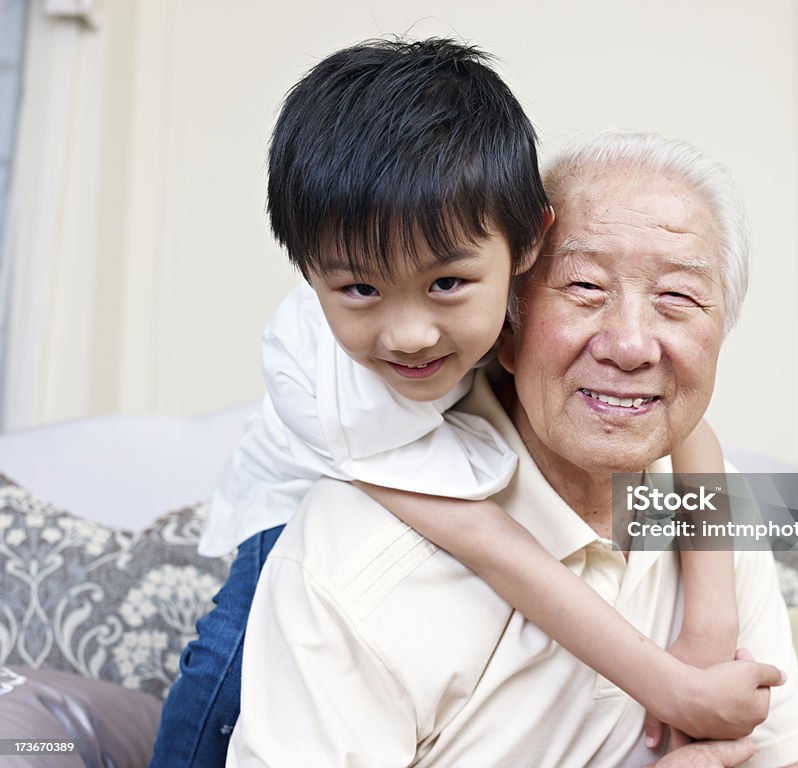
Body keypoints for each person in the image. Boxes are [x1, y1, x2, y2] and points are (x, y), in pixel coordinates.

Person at [151, 39, 763, 767]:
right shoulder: (325, 393)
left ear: (525, 246)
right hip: (293, 514)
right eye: (358, 290)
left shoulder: (530, 316)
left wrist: (710, 622)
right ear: (308, 269)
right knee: (216, 683)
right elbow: (502, 553)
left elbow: (685, 425)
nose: (409, 336)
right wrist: (671, 685)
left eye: (446, 285)